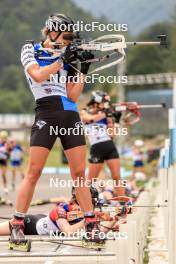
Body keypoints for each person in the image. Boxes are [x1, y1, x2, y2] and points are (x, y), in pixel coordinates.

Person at [10, 13, 99, 246]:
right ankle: (17, 224)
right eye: (67, 36)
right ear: (52, 32)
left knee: (79, 175)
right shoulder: (30, 48)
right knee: (34, 171)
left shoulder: (67, 54)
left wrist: (82, 69)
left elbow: (72, 95)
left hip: (69, 113)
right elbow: (37, 76)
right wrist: (61, 61)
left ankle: (91, 224)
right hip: (47, 112)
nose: (70, 41)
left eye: (72, 38)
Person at [81, 90, 125, 196]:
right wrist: (106, 113)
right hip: (97, 148)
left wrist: (116, 121)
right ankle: (80, 201)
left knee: (116, 177)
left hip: (109, 146)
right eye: (103, 103)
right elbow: (89, 119)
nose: (105, 106)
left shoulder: (106, 115)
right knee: (91, 180)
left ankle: (123, 202)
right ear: (96, 102)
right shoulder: (85, 111)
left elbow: (112, 134)